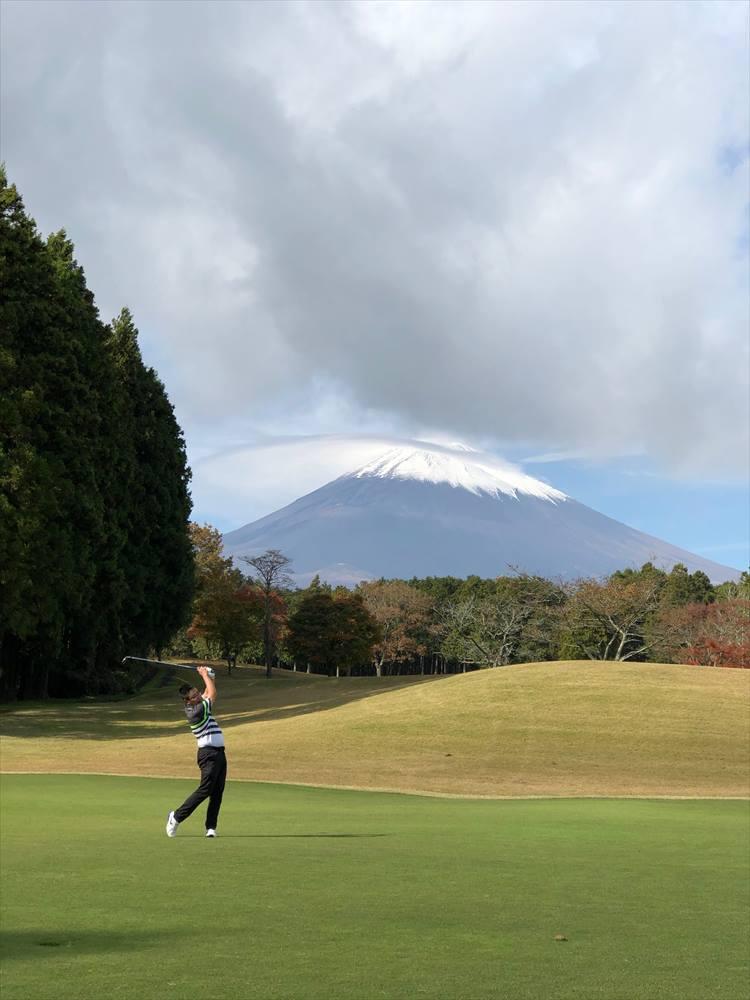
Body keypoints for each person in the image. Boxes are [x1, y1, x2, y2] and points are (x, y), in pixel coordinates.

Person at [166, 666, 227, 839]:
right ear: (188, 702)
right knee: (205, 789)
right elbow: (212, 694)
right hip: (208, 754)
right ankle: (176, 817)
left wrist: (210, 677)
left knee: (217, 791)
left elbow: (208, 691)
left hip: (219, 754)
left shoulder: (199, 703)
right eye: (194, 696)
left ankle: (211, 827)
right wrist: (204, 675)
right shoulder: (196, 712)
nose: (198, 696)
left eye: (197, 693)